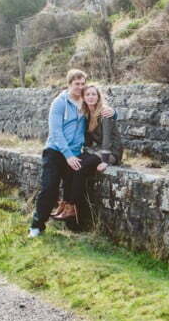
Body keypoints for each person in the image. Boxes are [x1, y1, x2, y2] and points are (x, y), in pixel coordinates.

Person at [28, 69, 111, 238]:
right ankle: (37, 227)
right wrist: (68, 155)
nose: (80, 87)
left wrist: (113, 113)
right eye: (76, 84)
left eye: (82, 84)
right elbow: (55, 132)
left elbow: (100, 108)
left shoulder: (85, 102)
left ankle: (73, 227)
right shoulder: (59, 103)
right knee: (49, 188)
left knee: (73, 187)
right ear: (69, 84)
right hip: (56, 151)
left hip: (75, 153)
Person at [52, 84, 123, 223]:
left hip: (111, 151)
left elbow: (107, 139)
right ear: (83, 97)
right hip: (95, 150)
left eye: (93, 94)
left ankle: (72, 207)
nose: (91, 97)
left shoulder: (104, 113)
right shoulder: (86, 114)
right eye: (87, 94)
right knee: (72, 164)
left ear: (98, 97)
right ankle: (65, 203)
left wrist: (105, 161)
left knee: (81, 168)